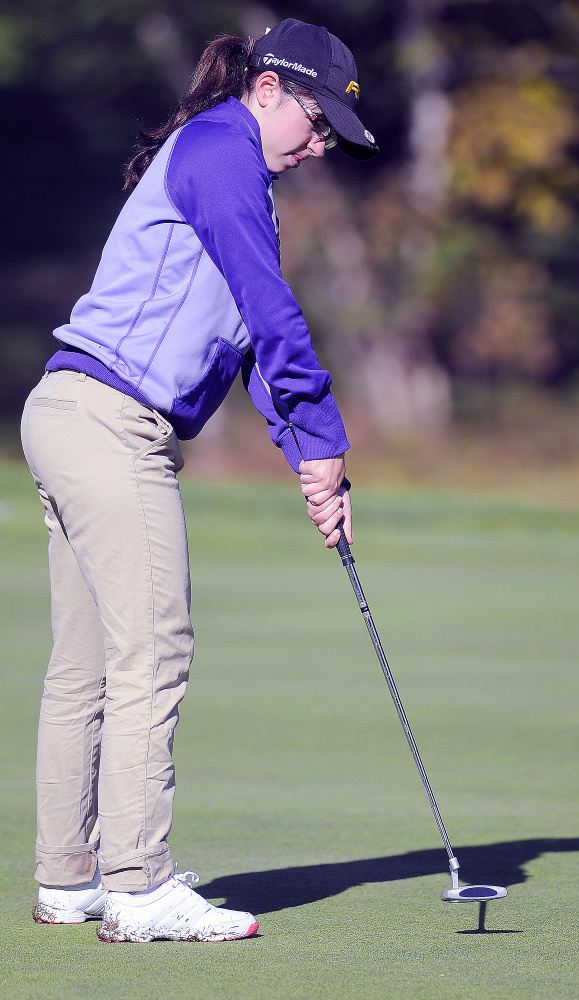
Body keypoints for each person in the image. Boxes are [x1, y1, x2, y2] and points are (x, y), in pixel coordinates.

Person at [20, 18, 377, 943]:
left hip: (70, 412)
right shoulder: (223, 154)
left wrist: (308, 456)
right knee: (154, 652)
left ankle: (71, 880)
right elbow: (272, 307)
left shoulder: (222, 162)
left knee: (90, 663)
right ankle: (137, 888)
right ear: (270, 93)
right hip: (112, 426)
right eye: (317, 124)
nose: (319, 147)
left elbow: (250, 335)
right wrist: (327, 434)